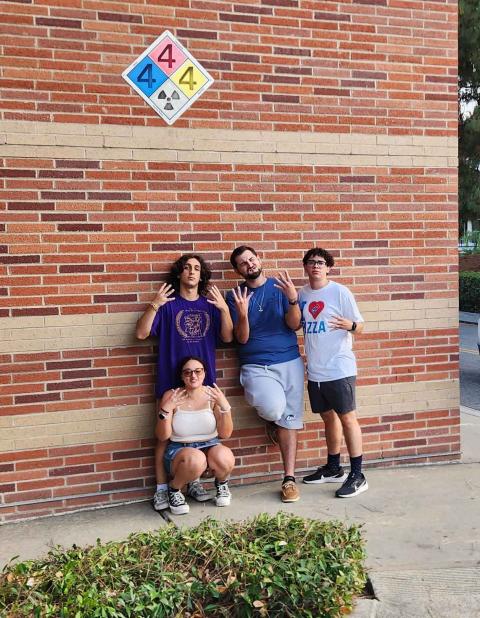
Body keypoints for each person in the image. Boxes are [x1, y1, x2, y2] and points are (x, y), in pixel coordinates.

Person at [135, 254, 233, 511]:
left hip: (202, 377)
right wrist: (155, 304)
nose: (192, 272)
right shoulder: (168, 305)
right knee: (165, 438)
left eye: (197, 268)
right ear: (179, 274)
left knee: (202, 432)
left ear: (202, 276)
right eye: (187, 268)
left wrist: (223, 309)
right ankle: (160, 490)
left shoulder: (210, 305)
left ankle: (194, 482)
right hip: (171, 377)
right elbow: (141, 333)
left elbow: (228, 336)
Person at [226, 246, 304, 503]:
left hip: (290, 360)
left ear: (259, 259)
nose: (249, 264)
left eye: (251, 258)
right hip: (256, 364)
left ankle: (289, 479)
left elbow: (295, 325)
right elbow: (242, 338)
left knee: (290, 420)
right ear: (237, 270)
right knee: (274, 410)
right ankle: (272, 420)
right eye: (242, 263)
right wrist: (243, 314)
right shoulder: (235, 296)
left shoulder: (280, 287)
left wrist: (293, 299)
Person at [298, 247, 368, 498]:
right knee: (328, 418)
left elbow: (360, 325)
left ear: (328, 267)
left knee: (348, 418)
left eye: (320, 262)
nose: (315, 266)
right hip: (316, 371)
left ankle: (358, 473)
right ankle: (333, 467)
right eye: (311, 262)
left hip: (339, 367)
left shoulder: (340, 291)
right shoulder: (302, 294)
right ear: (305, 267)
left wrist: (348, 325)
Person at [156, 356, 235, 515]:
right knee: (196, 458)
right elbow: (162, 436)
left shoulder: (212, 395)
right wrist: (165, 410)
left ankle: (221, 484)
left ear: (204, 373)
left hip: (210, 445)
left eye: (198, 371)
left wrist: (225, 407)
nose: (193, 376)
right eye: (188, 372)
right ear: (181, 376)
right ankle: (174, 490)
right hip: (180, 452)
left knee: (225, 456)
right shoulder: (172, 396)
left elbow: (225, 434)